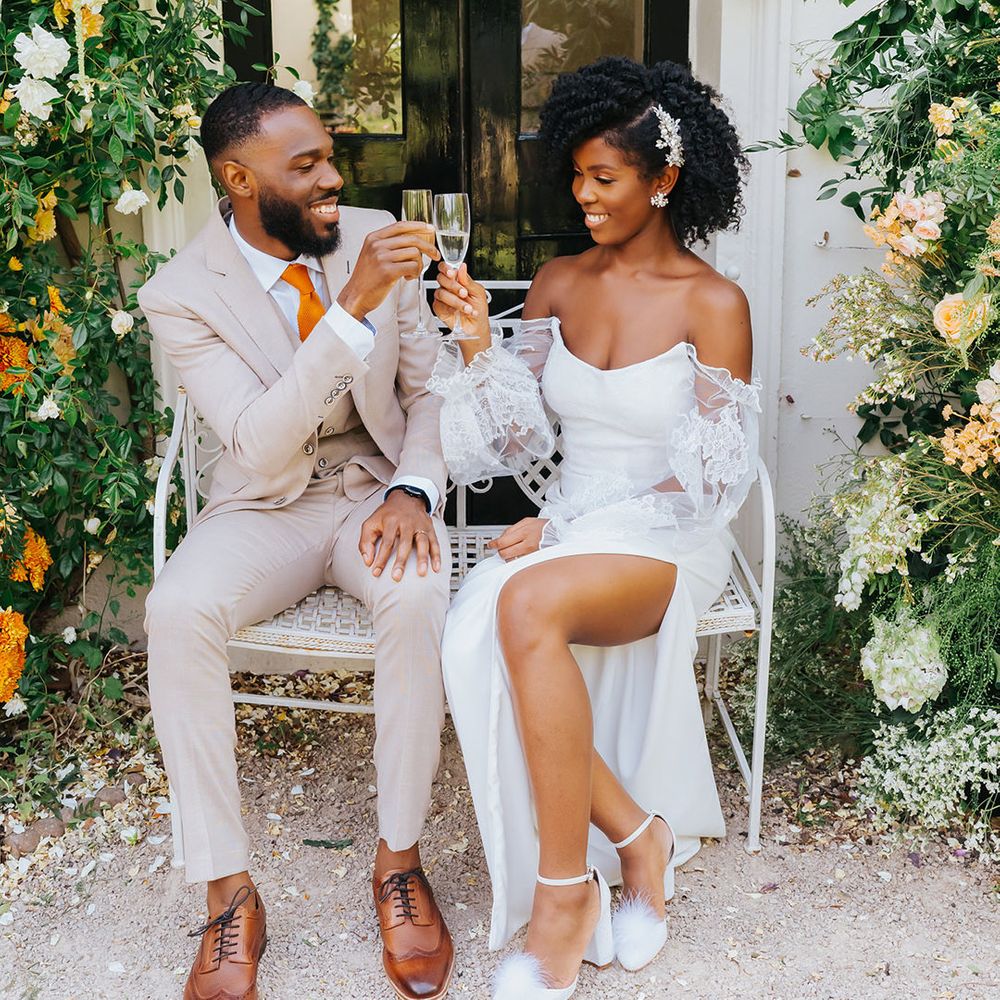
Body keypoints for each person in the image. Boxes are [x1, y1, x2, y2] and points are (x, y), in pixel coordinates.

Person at [428, 56, 760, 999]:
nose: (582, 195)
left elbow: (707, 481)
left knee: (521, 598)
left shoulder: (715, 304)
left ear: (663, 181)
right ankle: (634, 834)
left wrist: (565, 523)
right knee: (486, 619)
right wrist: (477, 347)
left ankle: (562, 895)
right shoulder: (558, 281)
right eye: (574, 176)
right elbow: (513, 442)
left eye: (604, 178)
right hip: (571, 528)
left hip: (663, 537)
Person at [138, 83, 455, 1000]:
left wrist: (412, 487)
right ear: (239, 180)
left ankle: (398, 863)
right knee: (178, 609)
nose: (333, 178)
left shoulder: (370, 231)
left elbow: (428, 392)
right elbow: (261, 443)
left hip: (370, 493)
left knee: (416, 592)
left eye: (328, 156)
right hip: (264, 504)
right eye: (305, 165)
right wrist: (353, 304)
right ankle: (228, 891)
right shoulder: (181, 295)